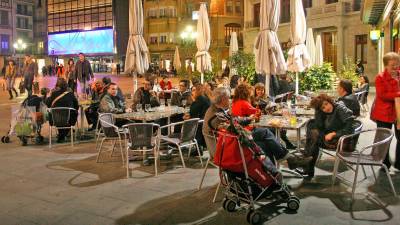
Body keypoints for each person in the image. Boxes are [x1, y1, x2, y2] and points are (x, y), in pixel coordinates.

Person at [203, 87, 311, 170]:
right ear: (222, 99)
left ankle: (272, 173)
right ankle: (289, 160)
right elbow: (231, 130)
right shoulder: (214, 116)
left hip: (231, 142)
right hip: (225, 149)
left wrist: (248, 119)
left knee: (264, 144)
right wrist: (248, 127)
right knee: (264, 132)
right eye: (228, 98)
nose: (230, 100)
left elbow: (234, 122)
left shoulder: (218, 110)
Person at [301, 94, 355, 179]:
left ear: (329, 101)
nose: (326, 108)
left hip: (343, 140)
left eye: (326, 104)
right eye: (323, 108)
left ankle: (306, 165)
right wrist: (318, 113)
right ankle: (307, 164)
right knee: (311, 126)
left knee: (312, 140)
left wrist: (334, 134)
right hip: (329, 138)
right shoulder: (322, 113)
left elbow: (350, 129)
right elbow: (320, 127)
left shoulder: (340, 108)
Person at [371, 52, 400, 171]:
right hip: (383, 113)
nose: (395, 67)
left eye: (397, 64)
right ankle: (384, 163)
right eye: (392, 64)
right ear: (386, 65)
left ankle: (399, 163)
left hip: (398, 112)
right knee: (384, 139)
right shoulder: (380, 77)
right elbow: (383, 95)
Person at [46, 78, 79, 143]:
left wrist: (50, 95)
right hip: (69, 120)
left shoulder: (53, 94)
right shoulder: (70, 94)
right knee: (74, 113)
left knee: (57, 115)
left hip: (55, 119)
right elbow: (76, 106)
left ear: (57, 85)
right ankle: (65, 132)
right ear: (66, 85)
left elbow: (48, 104)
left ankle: (62, 134)